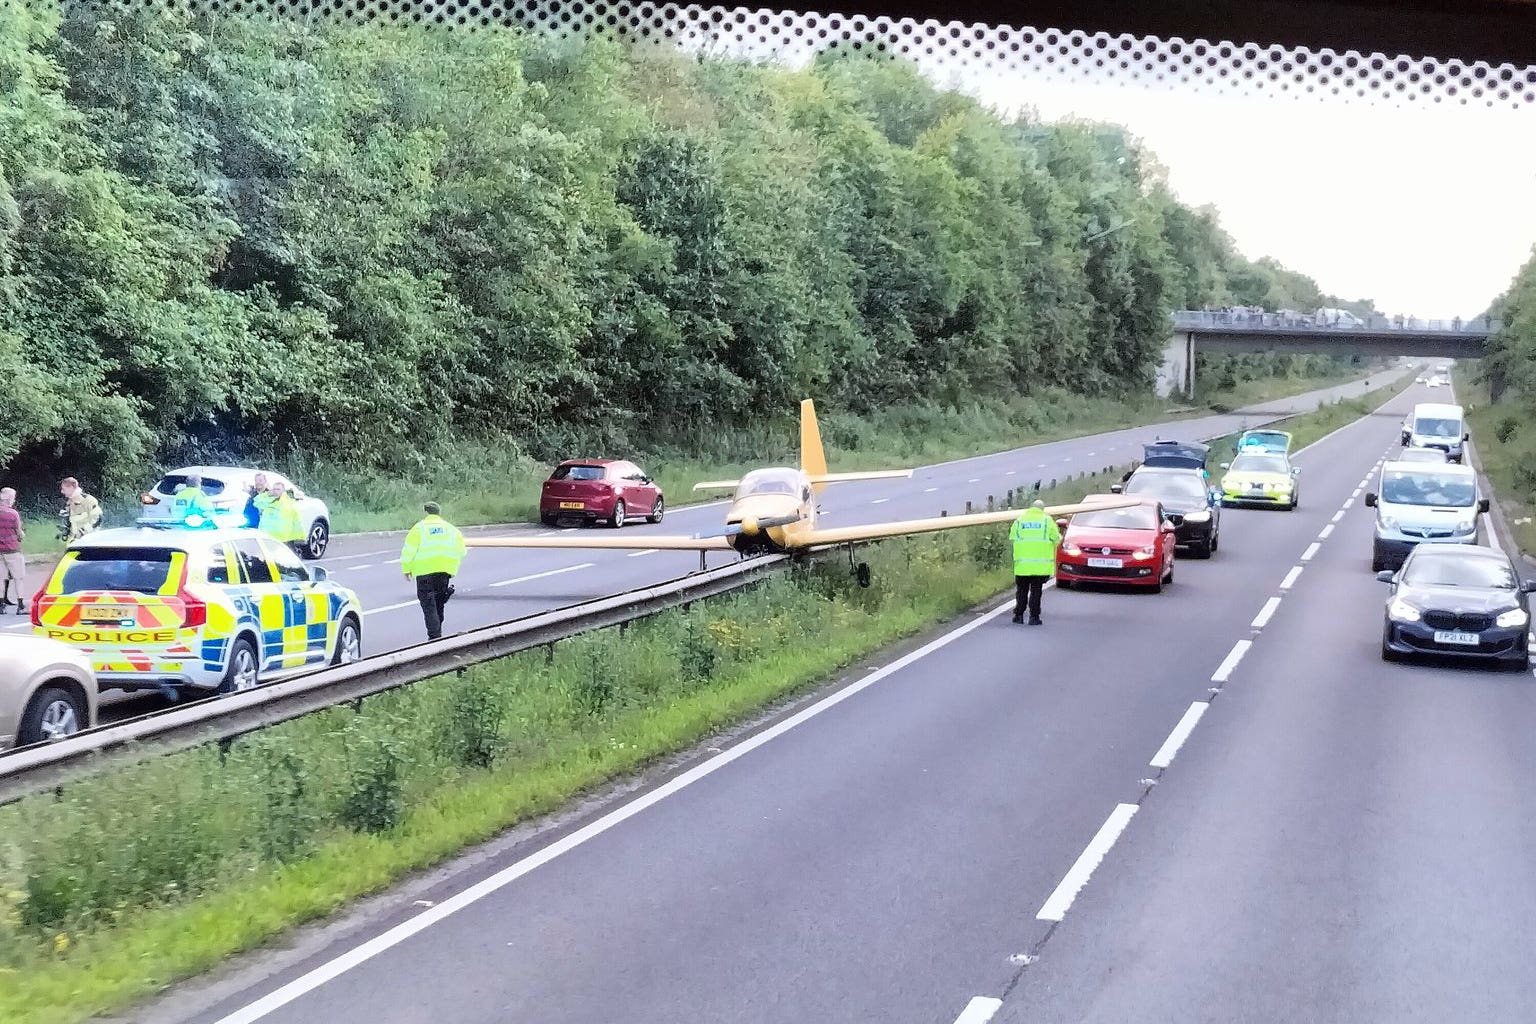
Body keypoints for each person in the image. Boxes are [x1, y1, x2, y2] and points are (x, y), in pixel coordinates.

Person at [401, 502, 465, 641]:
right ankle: (438, 634)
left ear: (425, 513)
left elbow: (409, 550)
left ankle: (434, 638)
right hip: (444, 572)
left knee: (429, 605)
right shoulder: (451, 529)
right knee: (439, 602)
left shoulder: (419, 529)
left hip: (424, 572)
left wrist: (406, 569)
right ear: (438, 512)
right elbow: (462, 550)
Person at [1009, 499, 1060, 626]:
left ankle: (1018, 615)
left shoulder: (1019, 520)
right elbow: (1056, 539)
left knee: (1021, 590)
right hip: (1040, 565)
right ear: (1042, 509)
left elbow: (1012, 537)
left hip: (1022, 565)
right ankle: (1034, 617)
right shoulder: (1047, 520)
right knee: (1036, 591)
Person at [0, 487, 24, 614]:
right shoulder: (13, 514)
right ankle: (20, 606)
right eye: (13, 497)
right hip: (12, 549)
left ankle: (0, 606)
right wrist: (21, 536)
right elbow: (19, 533)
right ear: (9, 499)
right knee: (18, 577)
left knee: (1, 578)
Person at [257, 480, 301, 546]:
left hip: (283, 538)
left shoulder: (288, 503)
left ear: (283, 491)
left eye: (278, 489)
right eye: (274, 489)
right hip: (268, 536)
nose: (276, 491)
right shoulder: (269, 500)